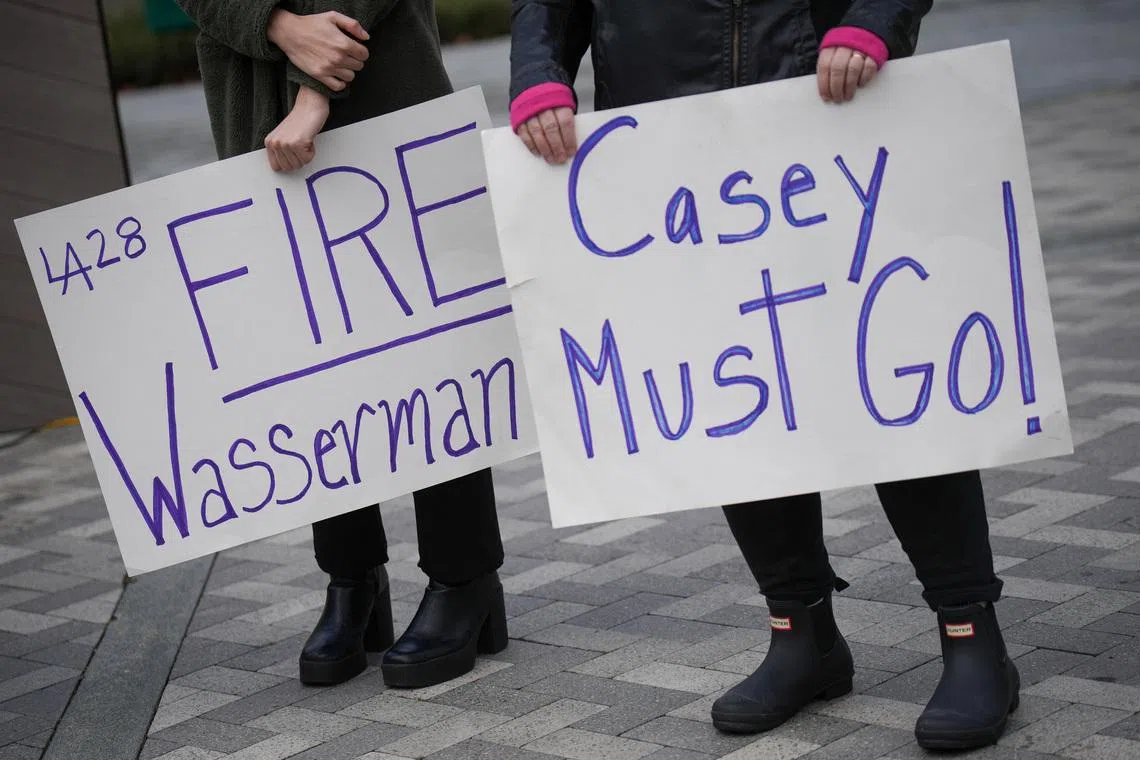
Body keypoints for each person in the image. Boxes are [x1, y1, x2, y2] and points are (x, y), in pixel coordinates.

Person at [508, 0, 1019, 751]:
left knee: (893, 379)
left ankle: (972, 632)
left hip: (836, 116)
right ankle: (800, 631)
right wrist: (537, 76)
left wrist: (875, 19)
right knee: (737, 392)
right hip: (666, 141)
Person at [176, 0, 508, 689]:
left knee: (426, 334)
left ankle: (463, 578)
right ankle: (352, 578)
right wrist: (274, 24)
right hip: (251, 77)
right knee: (311, 347)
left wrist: (317, 88)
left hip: (379, 64)